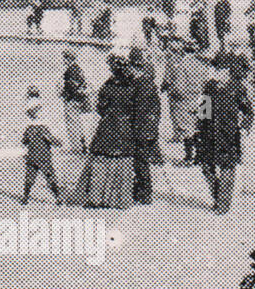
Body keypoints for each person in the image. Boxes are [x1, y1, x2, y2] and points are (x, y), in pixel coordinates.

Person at [73, 53, 136, 209]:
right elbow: (134, 108)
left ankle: (96, 197)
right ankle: (119, 199)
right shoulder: (131, 86)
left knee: (100, 159)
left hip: (108, 126)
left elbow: (100, 107)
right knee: (122, 160)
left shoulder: (107, 86)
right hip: (125, 128)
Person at [194, 68, 253, 215]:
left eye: (221, 70)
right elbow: (203, 112)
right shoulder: (209, 87)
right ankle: (218, 195)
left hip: (229, 135)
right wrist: (198, 129)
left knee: (227, 167)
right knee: (206, 167)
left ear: (228, 72)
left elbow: (248, 111)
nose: (217, 74)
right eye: (215, 70)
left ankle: (223, 205)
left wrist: (245, 127)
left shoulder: (237, 87)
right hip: (209, 134)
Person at [164, 38, 210, 163]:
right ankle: (201, 154)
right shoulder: (203, 64)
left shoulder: (182, 65)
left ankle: (189, 155)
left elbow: (180, 87)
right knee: (201, 126)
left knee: (187, 129)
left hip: (187, 100)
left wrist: (174, 93)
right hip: (203, 99)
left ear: (184, 50)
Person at [129, 48, 163, 205]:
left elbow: (139, 110)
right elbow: (157, 108)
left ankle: (145, 193)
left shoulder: (141, 85)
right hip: (149, 128)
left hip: (142, 129)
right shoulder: (149, 84)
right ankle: (142, 191)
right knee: (141, 161)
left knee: (140, 161)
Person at [21, 88, 62, 204]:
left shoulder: (29, 128)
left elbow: (24, 141)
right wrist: (58, 142)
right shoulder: (43, 128)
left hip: (32, 156)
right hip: (44, 156)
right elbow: (50, 139)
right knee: (50, 177)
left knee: (29, 178)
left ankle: (25, 196)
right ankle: (57, 197)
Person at [59, 49, 90, 154]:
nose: (63, 60)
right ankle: (82, 145)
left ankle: (76, 148)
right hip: (79, 99)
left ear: (68, 58)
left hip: (72, 100)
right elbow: (83, 84)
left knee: (72, 124)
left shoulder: (70, 71)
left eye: (65, 58)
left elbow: (71, 86)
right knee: (78, 123)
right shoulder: (78, 69)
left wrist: (64, 93)